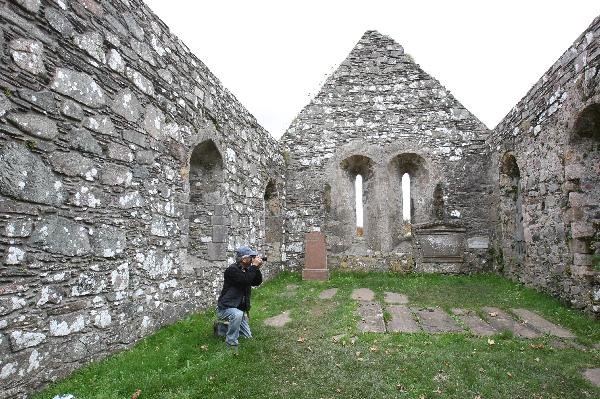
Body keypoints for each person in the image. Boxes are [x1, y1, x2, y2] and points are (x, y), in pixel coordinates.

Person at [215, 245, 263, 351]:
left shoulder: (247, 270)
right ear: (243, 259)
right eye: (251, 257)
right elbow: (245, 280)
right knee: (237, 314)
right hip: (226, 307)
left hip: (239, 308)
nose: (253, 259)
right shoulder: (231, 270)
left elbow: (256, 282)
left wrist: (257, 268)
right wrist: (254, 267)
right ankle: (231, 343)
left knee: (247, 337)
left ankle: (221, 328)